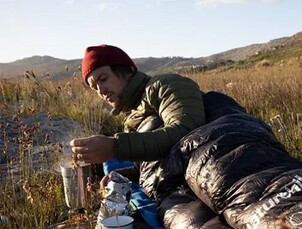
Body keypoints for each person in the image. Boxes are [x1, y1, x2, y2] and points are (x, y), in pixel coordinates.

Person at [70, 44, 206, 188]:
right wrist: (121, 175)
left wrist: (114, 147)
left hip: (209, 173)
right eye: (94, 87)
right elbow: (158, 162)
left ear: (126, 71)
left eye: (103, 79)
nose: (101, 91)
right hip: (184, 182)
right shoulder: (134, 114)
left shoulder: (164, 85)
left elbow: (189, 134)